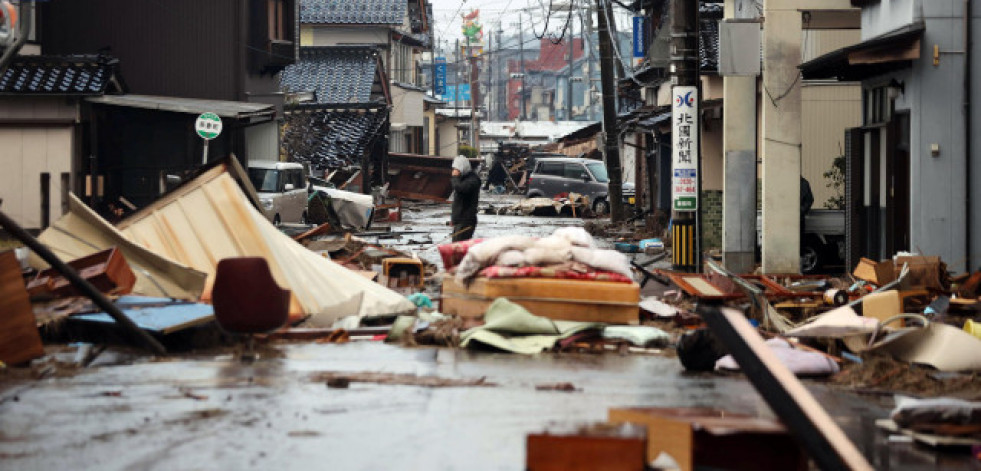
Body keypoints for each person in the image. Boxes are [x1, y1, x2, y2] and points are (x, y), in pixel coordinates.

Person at [450, 155, 481, 241]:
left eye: (457, 169)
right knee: (456, 246)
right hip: (459, 220)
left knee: (459, 247)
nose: (454, 171)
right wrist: (454, 219)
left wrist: (455, 178)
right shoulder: (463, 179)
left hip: (466, 220)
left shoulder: (472, 180)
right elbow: (457, 202)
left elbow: (461, 189)